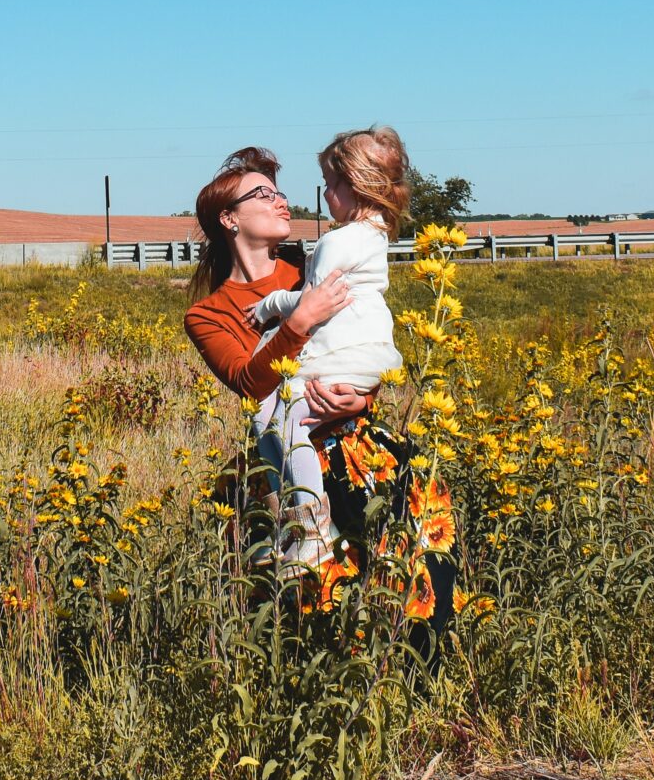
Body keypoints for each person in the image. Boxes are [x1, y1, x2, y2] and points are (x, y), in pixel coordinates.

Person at [182, 146, 456, 636]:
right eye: (263, 194)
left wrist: (363, 397)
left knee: (412, 570)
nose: (281, 201)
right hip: (290, 460)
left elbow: (362, 338)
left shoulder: (315, 265)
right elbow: (249, 384)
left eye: (279, 191)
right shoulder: (210, 314)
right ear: (229, 218)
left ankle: (422, 689)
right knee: (313, 609)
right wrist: (300, 319)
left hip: (355, 444)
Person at [244, 128, 410, 561]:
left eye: (331, 185)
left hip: (341, 354)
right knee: (264, 416)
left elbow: (317, 301)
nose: (324, 194)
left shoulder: (339, 240)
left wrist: (272, 304)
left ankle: (310, 530)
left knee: (287, 424)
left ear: (357, 186)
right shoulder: (372, 236)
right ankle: (288, 521)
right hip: (361, 354)